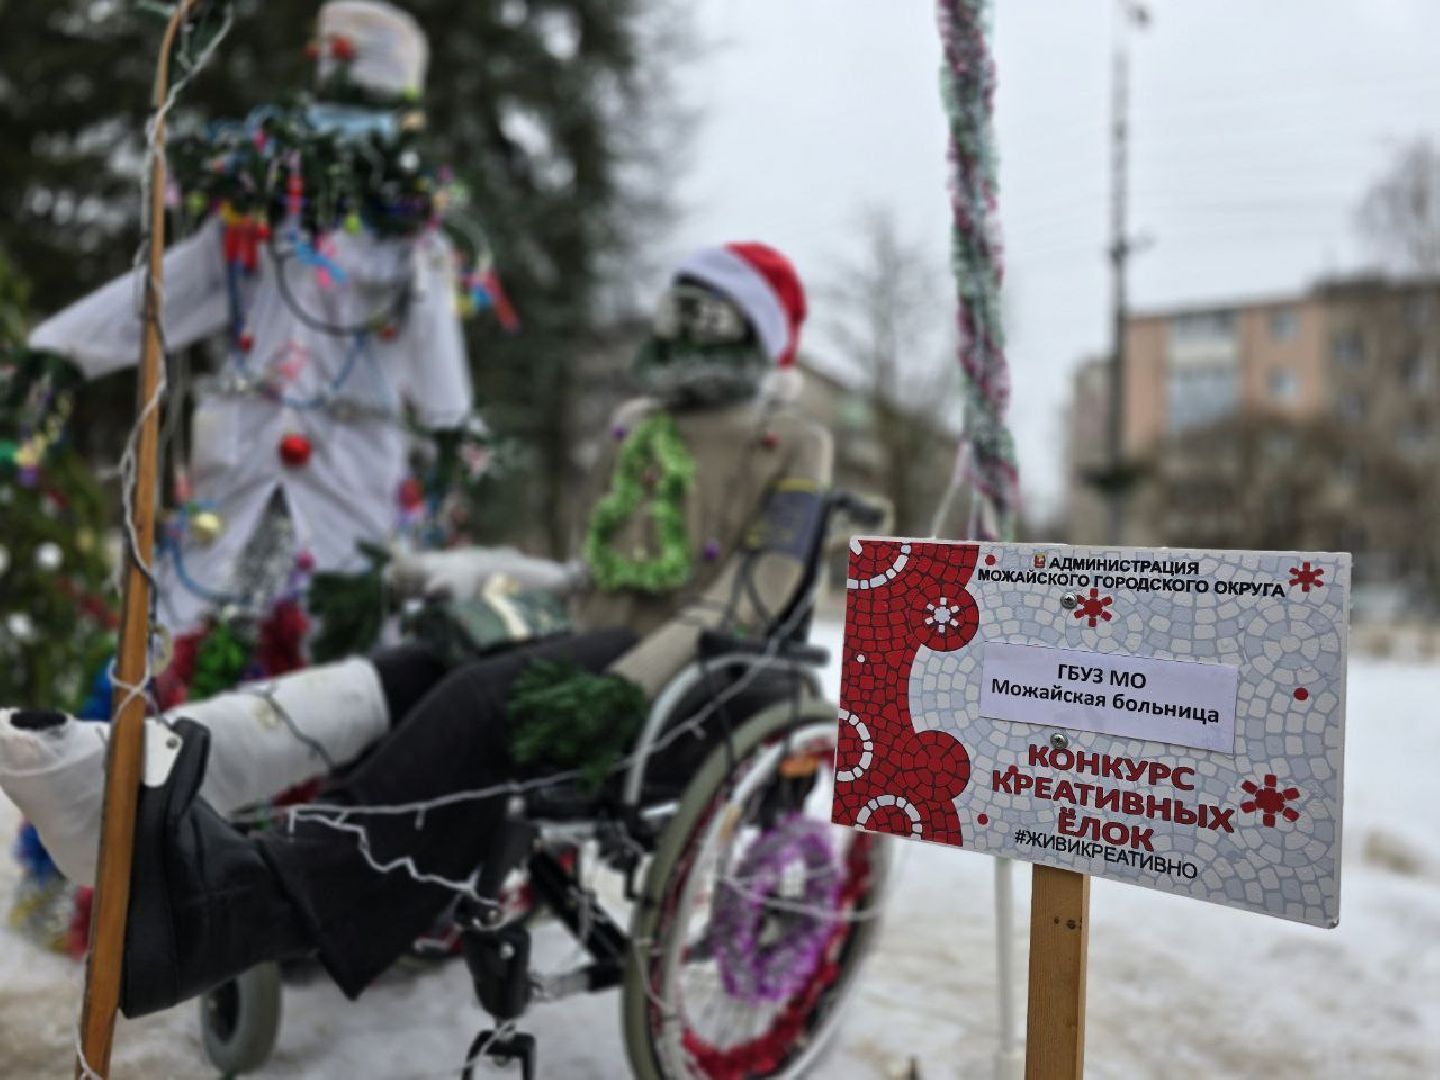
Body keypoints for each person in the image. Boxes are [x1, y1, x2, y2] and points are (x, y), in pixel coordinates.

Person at [0, 242, 834, 1018]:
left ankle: (260, 898)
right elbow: (591, 573)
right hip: (591, 631)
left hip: (688, 668)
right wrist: (472, 572)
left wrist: (628, 683)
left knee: (479, 699)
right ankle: (156, 777)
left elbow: (759, 587)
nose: (682, 325)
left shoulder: (794, 441)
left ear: (753, 331)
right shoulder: (638, 425)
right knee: (412, 666)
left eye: (708, 310)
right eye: (678, 304)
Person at [28, 0, 476, 635]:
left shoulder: (413, 244)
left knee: (334, 644)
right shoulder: (260, 213)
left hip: (348, 481)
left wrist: (450, 444)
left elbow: (441, 385)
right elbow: (172, 290)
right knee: (189, 632)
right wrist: (63, 349)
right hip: (240, 469)